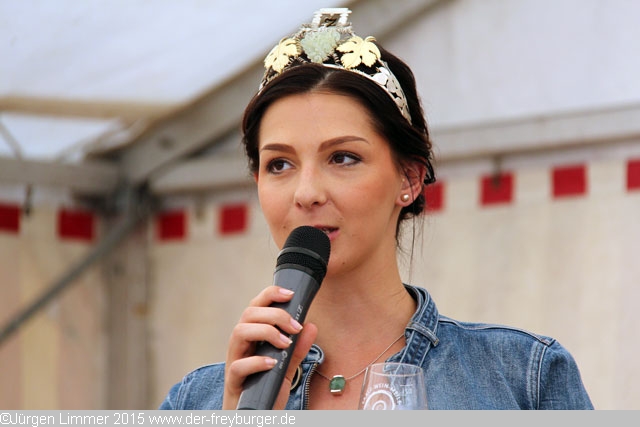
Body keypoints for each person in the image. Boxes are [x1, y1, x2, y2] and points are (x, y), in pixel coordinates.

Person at [159, 8, 593, 410]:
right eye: (280, 164)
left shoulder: (522, 377)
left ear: (409, 179)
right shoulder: (197, 401)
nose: (306, 193)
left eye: (343, 157)